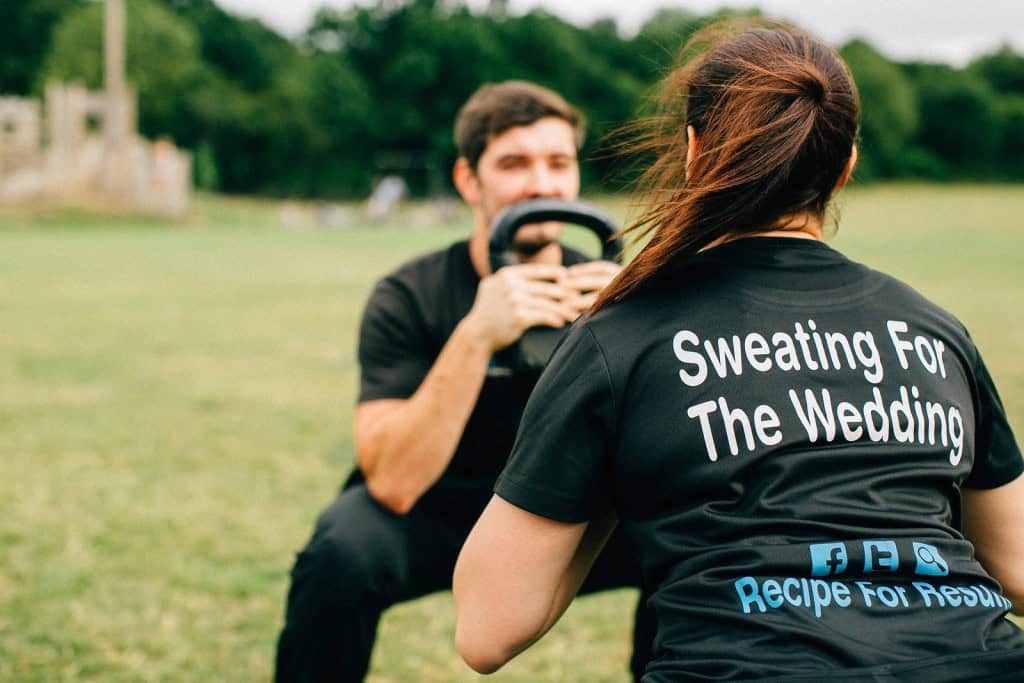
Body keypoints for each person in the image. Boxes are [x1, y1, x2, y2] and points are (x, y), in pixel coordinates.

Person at [453, 22, 1024, 681]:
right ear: (845, 166)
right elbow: (1015, 568)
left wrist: (612, 469)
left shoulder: (621, 334)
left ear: (694, 150)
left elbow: (488, 627)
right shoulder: (933, 329)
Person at [274, 80, 653, 682]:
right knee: (341, 550)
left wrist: (625, 325)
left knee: (694, 529)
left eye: (558, 163)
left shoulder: (616, 292)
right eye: (514, 164)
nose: (541, 184)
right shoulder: (409, 295)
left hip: (565, 516)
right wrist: (476, 335)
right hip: (440, 512)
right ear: (468, 180)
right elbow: (392, 483)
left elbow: (664, 454)